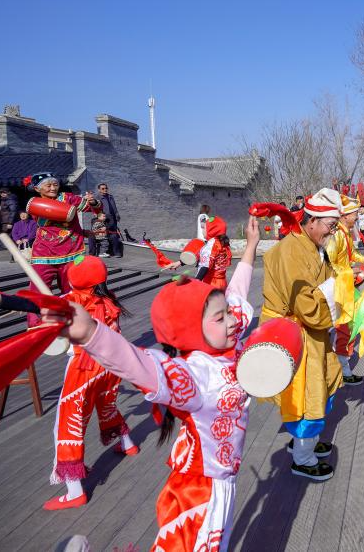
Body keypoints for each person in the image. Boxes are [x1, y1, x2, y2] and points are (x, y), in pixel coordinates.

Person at [55, 217, 260, 546]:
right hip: (200, 491)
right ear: (192, 330)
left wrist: (250, 246)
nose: (234, 320)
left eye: (229, 314)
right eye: (221, 317)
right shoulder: (195, 373)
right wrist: (91, 334)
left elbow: (236, 292)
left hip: (222, 481)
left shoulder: (227, 342)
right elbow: (139, 365)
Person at [261, 188, 344, 481]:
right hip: (299, 334)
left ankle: (305, 443)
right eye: (329, 227)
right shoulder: (292, 252)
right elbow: (308, 306)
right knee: (308, 395)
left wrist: (346, 281)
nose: (331, 233)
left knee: (326, 382)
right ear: (311, 221)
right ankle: (303, 458)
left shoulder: (309, 245)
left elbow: (326, 282)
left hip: (313, 333)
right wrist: (342, 291)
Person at [44, 255, 137, 510]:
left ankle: (74, 490)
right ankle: (127, 445)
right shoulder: (109, 299)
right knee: (106, 404)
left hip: (83, 369)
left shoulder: (71, 301)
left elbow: (47, 315)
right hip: (109, 365)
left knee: (67, 424)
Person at [25, 172, 101, 326]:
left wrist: (92, 202)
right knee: (37, 290)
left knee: (72, 290)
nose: (53, 188)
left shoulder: (67, 198)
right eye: (48, 185)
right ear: (37, 189)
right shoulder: (35, 204)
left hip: (72, 250)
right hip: (44, 253)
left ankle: (74, 322)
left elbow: (92, 208)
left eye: (55, 184)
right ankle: (36, 326)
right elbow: (46, 218)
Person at [327, 195, 364, 384]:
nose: (357, 216)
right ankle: (343, 371)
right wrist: (350, 270)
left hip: (346, 284)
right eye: (355, 213)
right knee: (344, 328)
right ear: (345, 215)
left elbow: (350, 254)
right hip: (338, 288)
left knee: (348, 327)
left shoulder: (345, 232)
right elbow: (328, 264)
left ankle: (341, 367)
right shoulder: (337, 235)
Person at [197, 216, 232, 291]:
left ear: (211, 230)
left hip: (211, 282)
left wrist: (197, 281)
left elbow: (205, 266)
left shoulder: (211, 245)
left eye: (204, 228)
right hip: (222, 281)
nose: (202, 231)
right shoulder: (222, 243)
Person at [95, 182, 123, 258]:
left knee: (114, 235)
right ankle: (105, 252)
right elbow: (95, 209)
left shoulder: (110, 196)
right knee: (105, 235)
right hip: (104, 219)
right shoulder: (97, 198)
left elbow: (114, 207)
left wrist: (117, 215)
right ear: (99, 190)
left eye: (106, 188)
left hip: (113, 218)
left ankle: (116, 252)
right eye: (103, 189)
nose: (105, 190)